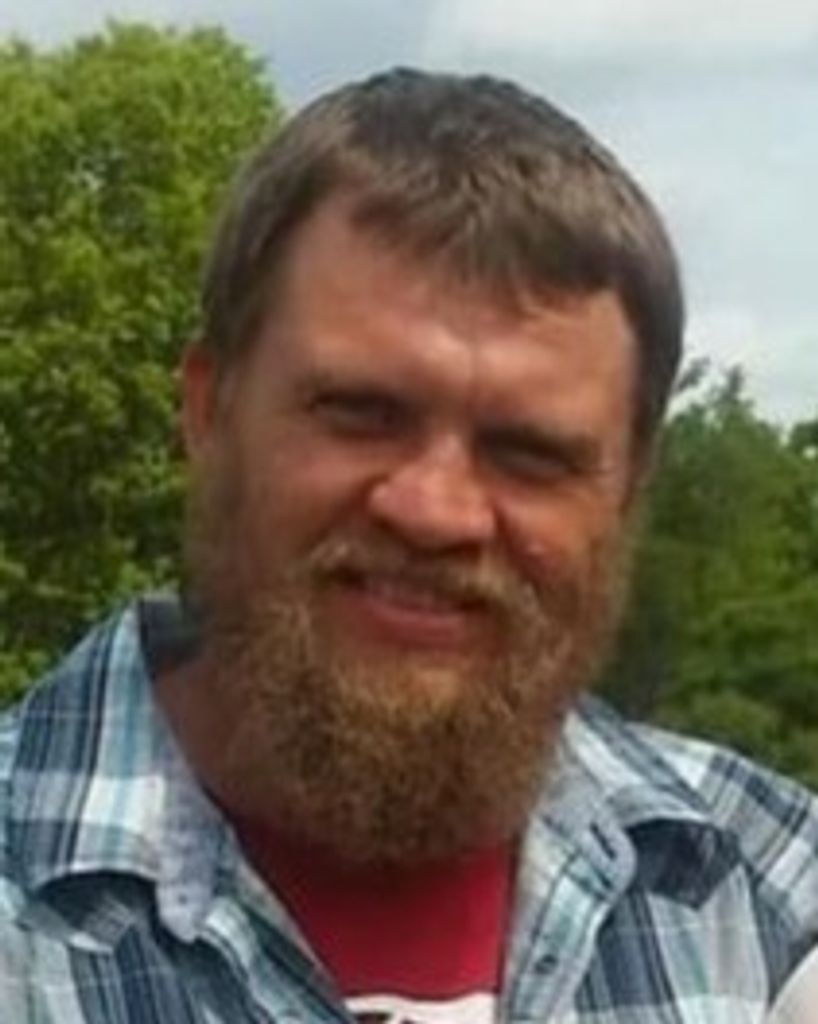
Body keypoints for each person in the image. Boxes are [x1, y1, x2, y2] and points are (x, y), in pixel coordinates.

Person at [1, 68, 816, 1024]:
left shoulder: (768, 906)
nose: (435, 512)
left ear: (630, 486)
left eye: (529, 453)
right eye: (360, 413)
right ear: (209, 409)